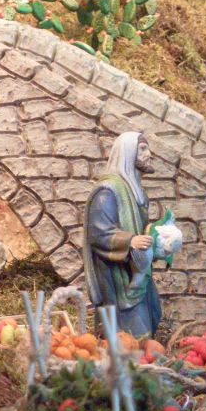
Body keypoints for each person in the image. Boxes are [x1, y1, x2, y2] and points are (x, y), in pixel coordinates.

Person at [82, 132, 163, 338]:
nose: (149, 154)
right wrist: (130, 241)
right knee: (129, 333)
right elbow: (99, 233)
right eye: (142, 149)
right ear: (127, 152)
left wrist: (158, 239)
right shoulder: (108, 192)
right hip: (116, 276)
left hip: (138, 271)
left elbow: (141, 229)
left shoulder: (137, 192)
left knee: (152, 316)